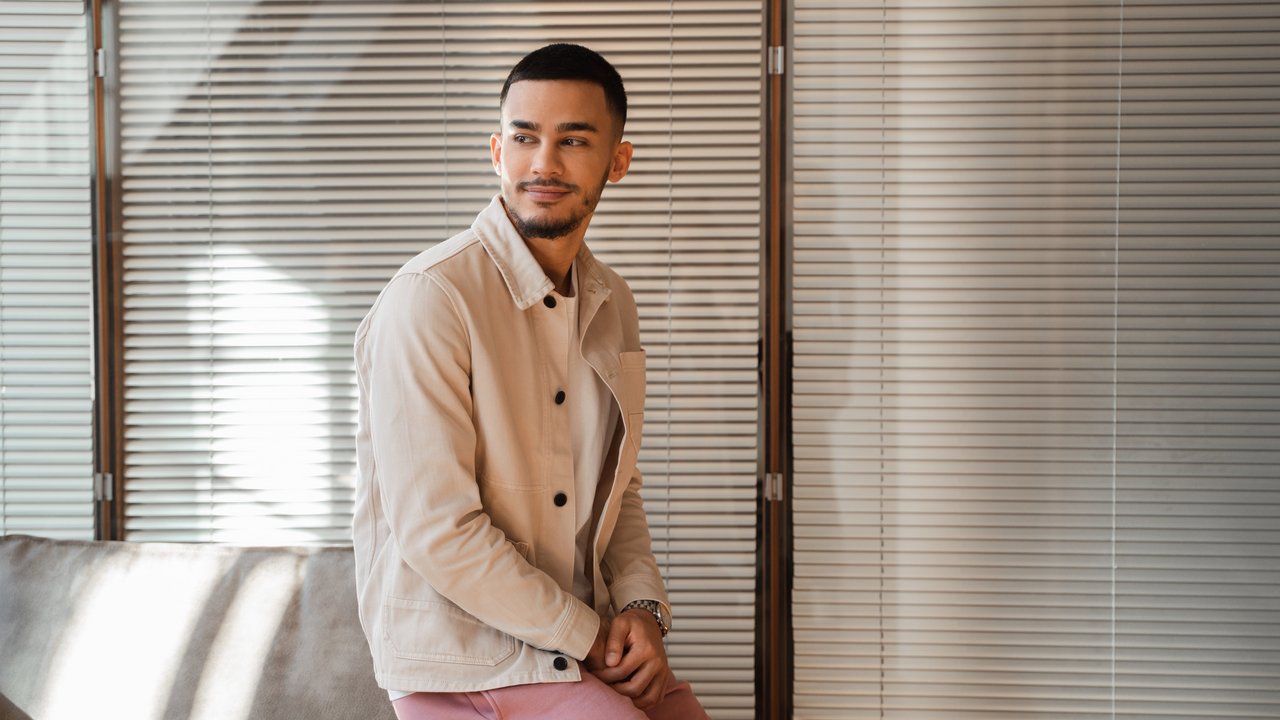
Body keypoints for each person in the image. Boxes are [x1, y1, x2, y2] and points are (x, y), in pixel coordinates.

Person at [352, 43, 711, 720]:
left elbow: (619, 489)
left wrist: (640, 610)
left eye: (573, 140)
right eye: (525, 138)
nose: (543, 162)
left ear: (618, 161)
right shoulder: (431, 297)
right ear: (496, 151)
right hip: (463, 655)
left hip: (577, 642)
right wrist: (590, 633)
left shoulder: (614, 303)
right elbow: (438, 532)